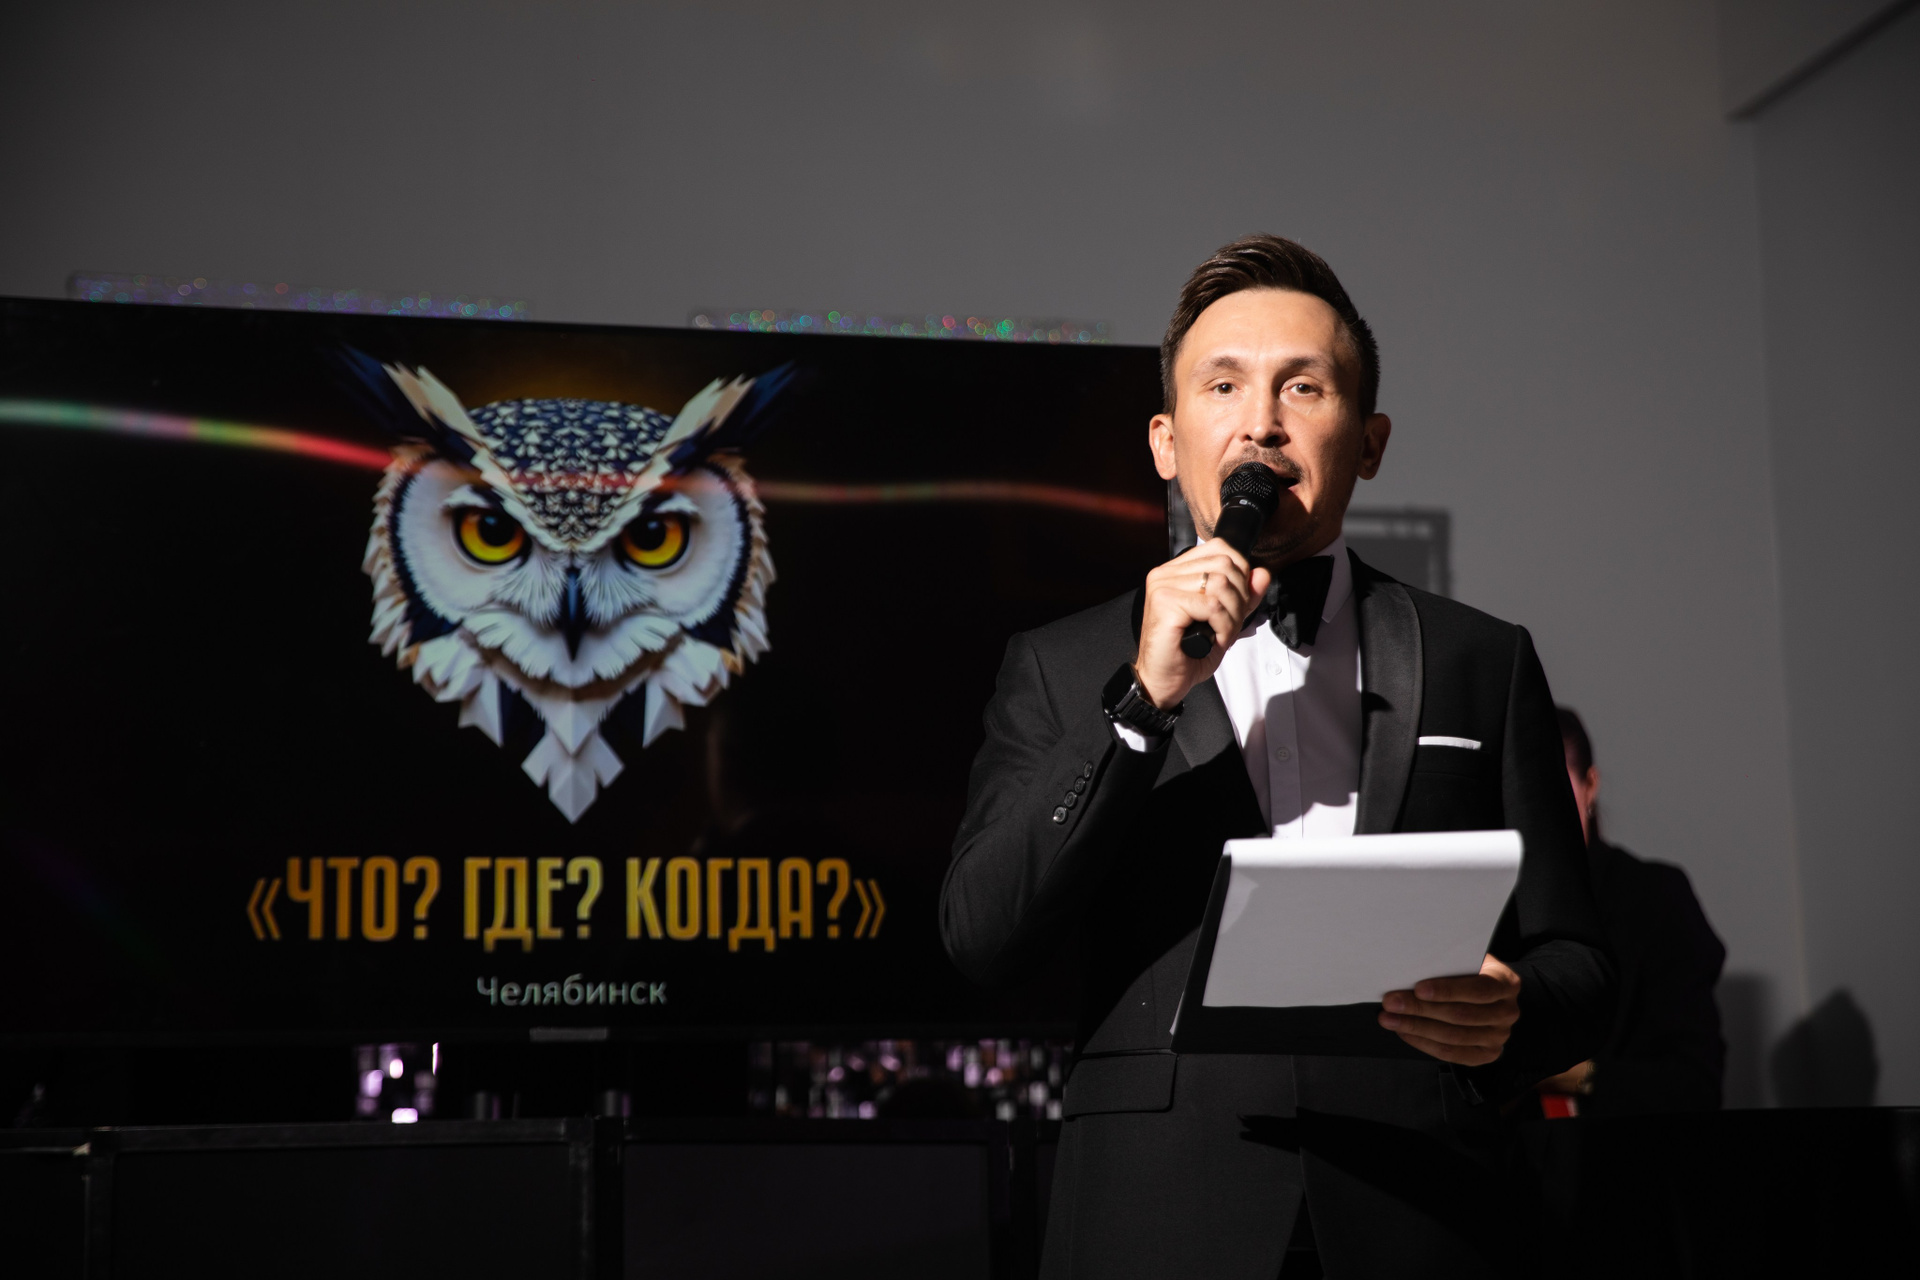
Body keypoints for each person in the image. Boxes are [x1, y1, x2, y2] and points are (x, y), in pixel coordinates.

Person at [941, 234, 1614, 1279]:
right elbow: (981, 934)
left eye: (1303, 386)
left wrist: (1511, 1012)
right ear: (1166, 442)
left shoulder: (1482, 657)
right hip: (1156, 1213)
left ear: (1370, 441)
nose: (1261, 420)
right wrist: (1142, 698)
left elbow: (1582, 962)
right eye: (1223, 385)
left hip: (1422, 1210)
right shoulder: (1060, 664)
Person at [1533, 708, 1725, 1116]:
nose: (1535, 811)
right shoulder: (1490, 909)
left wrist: (1561, 1075)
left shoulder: (1653, 897)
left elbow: (1695, 1083)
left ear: (1590, 785)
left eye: (1552, 787)